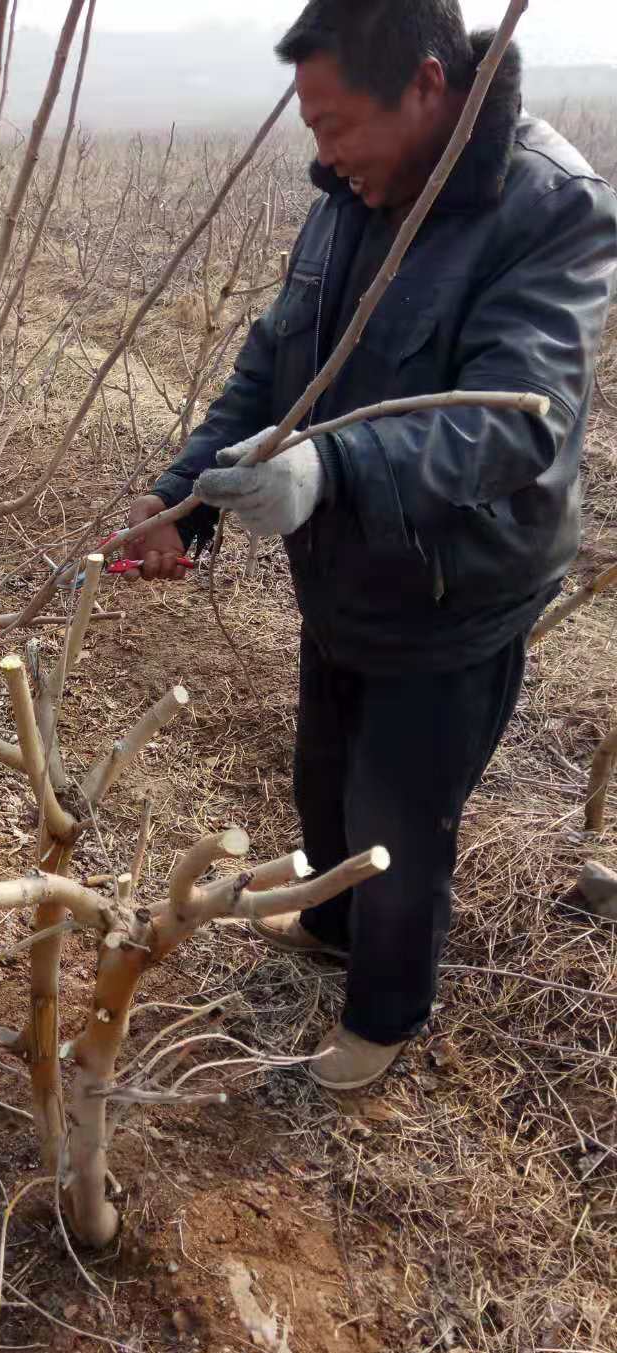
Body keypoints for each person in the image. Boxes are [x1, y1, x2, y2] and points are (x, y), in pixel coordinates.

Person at [126, 0, 617, 1090]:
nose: (324, 151)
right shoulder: (351, 193)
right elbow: (274, 361)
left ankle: (384, 1016)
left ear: (429, 87)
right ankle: (334, 923)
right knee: (328, 776)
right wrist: (186, 500)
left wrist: (333, 470)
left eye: (339, 122)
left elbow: (514, 421)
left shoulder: (552, 208)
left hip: (457, 589)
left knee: (401, 817)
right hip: (344, 570)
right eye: (309, 124)